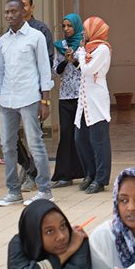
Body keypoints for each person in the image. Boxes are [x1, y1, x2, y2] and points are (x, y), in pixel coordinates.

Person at [0, 0, 55, 206]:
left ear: (23, 13)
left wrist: (45, 102)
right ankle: (13, 191)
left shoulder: (36, 37)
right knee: (7, 145)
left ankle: (45, 190)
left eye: (13, 12)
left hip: (29, 98)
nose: (9, 16)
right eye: (6, 12)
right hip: (6, 100)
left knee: (35, 144)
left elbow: (44, 70)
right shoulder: (3, 41)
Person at [76, 16, 113, 195]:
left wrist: (82, 53)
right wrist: (82, 53)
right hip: (84, 100)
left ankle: (100, 178)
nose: (83, 33)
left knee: (98, 141)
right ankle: (89, 174)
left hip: (96, 99)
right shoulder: (88, 49)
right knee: (80, 138)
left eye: (86, 30)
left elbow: (87, 70)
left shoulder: (103, 49)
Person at [49, 13, 85, 187]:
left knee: (82, 136)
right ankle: (65, 174)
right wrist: (66, 61)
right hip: (65, 96)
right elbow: (56, 71)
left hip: (82, 96)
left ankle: (87, 172)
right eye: (63, 26)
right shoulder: (61, 46)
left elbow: (87, 69)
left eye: (69, 26)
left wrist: (75, 60)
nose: (66, 29)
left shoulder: (84, 44)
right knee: (66, 135)